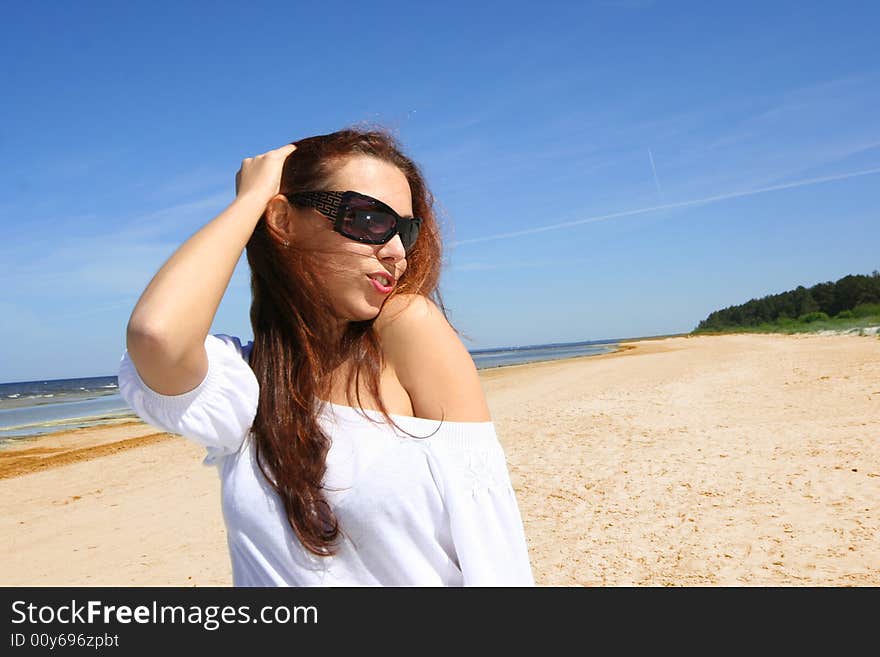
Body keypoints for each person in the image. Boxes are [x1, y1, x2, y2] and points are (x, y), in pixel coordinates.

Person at [118, 126, 534, 586]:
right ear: (284, 221)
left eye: (406, 229)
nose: (396, 251)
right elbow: (157, 335)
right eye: (370, 220)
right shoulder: (246, 388)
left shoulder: (407, 330)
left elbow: (493, 552)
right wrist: (251, 201)